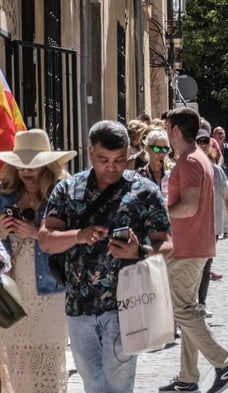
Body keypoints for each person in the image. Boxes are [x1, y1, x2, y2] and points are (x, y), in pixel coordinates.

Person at [38, 120, 173, 393]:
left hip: (125, 306)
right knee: (93, 385)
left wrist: (140, 251)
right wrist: (78, 235)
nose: (112, 167)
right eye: (103, 159)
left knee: (117, 386)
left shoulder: (144, 192)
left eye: (119, 159)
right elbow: (46, 241)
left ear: (128, 154)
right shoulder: (68, 191)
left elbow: (167, 246)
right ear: (90, 154)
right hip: (78, 307)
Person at [160, 107, 228, 393]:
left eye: (166, 126)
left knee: (180, 309)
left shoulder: (189, 162)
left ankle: (224, 364)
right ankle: (188, 378)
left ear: (174, 130)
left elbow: (189, 206)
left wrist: (160, 212)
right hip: (195, 245)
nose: (164, 132)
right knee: (189, 311)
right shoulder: (196, 158)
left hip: (189, 247)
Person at [0, 129, 76, 393]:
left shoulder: (63, 194)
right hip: (12, 293)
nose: (26, 172)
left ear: (47, 164)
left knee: (48, 372)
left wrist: (37, 233)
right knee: (17, 368)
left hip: (49, 294)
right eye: (21, 166)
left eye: (33, 165)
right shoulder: (5, 196)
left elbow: (74, 241)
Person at [195, 129, 228, 318]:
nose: (203, 145)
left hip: (211, 226)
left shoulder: (217, 171)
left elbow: (227, 197)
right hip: (191, 227)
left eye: (206, 141)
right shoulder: (185, 168)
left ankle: (201, 303)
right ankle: (188, 304)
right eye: (199, 141)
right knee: (191, 268)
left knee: (205, 267)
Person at [136, 128, 173, 199]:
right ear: (147, 149)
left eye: (165, 149)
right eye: (157, 149)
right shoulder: (140, 176)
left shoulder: (173, 171)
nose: (161, 154)